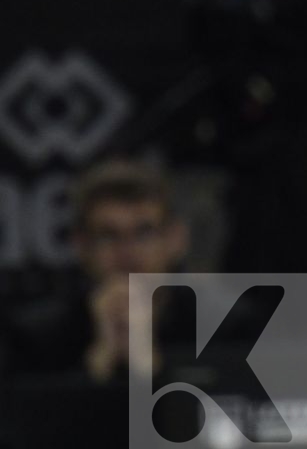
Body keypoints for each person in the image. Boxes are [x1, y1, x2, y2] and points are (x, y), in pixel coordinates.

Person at [3, 159, 190, 384]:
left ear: (175, 239)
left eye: (144, 233)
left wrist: (149, 365)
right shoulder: (35, 336)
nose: (127, 252)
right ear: (81, 246)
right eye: (108, 236)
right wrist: (98, 367)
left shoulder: (215, 326)